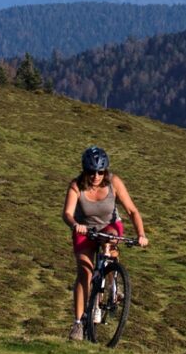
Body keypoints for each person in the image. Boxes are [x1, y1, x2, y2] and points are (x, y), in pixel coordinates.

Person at [61, 145, 148, 341]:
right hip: (85, 229)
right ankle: (78, 323)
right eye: (92, 172)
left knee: (110, 241)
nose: (96, 176)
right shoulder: (76, 186)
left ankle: (112, 284)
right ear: (85, 171)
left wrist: (141, 234)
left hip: (109, 225)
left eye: (100, 172)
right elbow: (67, 213)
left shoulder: (114, 183)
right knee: (84, 271)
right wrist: (75, 225)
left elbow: (132, 211)